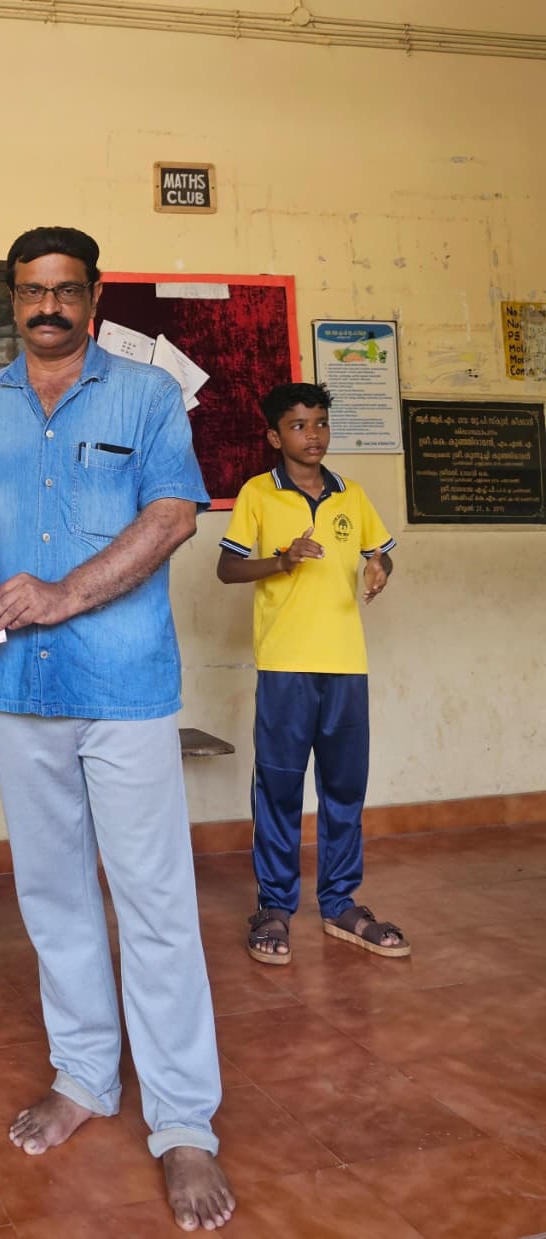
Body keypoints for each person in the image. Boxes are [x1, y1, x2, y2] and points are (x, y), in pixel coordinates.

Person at [0, 226, 235, 1232]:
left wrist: (63, 594)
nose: (47, 306)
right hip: (17, 688)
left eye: (65, 290)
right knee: (54, 894)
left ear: (93, 297)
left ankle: (182, 1121)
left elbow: (173, 515)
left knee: (154, 902)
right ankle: (85, 1076)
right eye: (31, 291)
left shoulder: (146, 395)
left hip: (122, 683)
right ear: (12, 300)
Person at [217, 381, 408, 965]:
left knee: (345, 788)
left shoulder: (352, 494)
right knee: (279, 789)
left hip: (347, 664)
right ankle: (274, 907)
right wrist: (283, 560)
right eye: (298, 425)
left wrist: (380, 567)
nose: (313, 435)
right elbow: (227, 568)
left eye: (320, 422)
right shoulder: (258, 492)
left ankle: (340, 904)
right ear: (275, 437)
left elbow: (380, 551)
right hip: (286, 666)